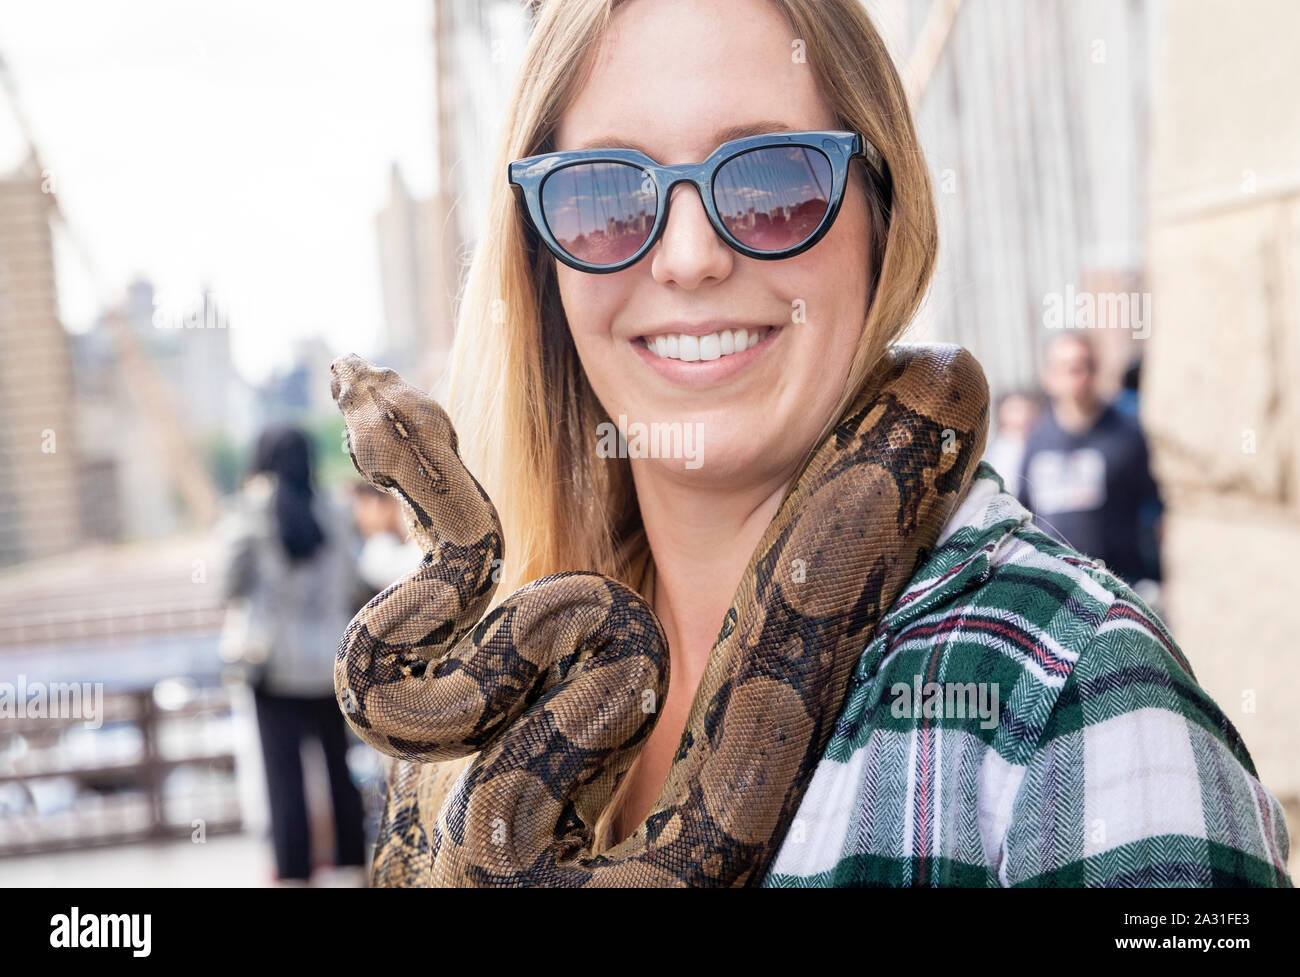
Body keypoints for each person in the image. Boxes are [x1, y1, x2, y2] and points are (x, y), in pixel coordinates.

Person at [388, 0, 1289, 886]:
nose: (689, 255)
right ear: (544, 263)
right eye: (603, 198)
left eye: (773, 182)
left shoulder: (1086, 710)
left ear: (881, 223)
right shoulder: (460, 746)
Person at [219, 423, 367, 886]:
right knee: (338, 768)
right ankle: (353, 865)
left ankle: (294, 873)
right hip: (331, 664)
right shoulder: (337, 510)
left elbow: (226, 585)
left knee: (283, 778)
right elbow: (353, 585)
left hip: (272, 666)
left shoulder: (249, 512)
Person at [1017, 334, 1163, 586]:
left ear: (1095, 371)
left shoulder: (1126, 435)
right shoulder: (1037, 440)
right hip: (1057, 586)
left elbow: (1156, 508)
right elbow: (1026, 511)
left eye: (1082, 365)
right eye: (1066, 367)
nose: (1076, 375)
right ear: (1048, 377)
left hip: (1121, 583)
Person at [982, 390, 1038, 495]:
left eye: (1026, 407)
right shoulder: (1000, 450)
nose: (1024, 412)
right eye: (1016, 409)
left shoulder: (1037, 442)